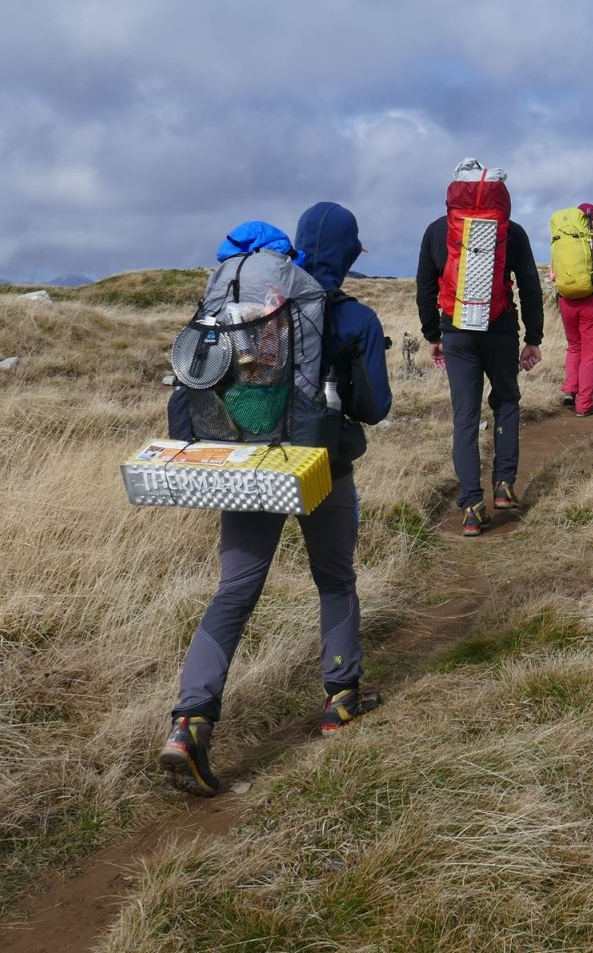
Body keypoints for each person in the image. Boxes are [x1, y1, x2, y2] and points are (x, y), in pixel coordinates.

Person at [160, 202, 393, 798]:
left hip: (250, 464)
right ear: (347, 252)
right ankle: (342, 697)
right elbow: (376, 406)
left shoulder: (257, 306)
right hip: (321, 467)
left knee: (235, 589)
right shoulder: (351, 317)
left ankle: (190, 722)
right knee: (335, 579)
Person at [415, 160, 544, 536]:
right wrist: (533, 337)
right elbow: (530, 286)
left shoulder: (437, 231)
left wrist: (433, 335)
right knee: (505, 402)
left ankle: (472, 505)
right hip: (501, 330)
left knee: (465, 417)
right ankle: (503, 484)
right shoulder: (512, 232)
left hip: (456, 332)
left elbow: (424, 287)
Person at [552, 202, 593, 417]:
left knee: (573, 346)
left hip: (566, 300)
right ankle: (584, 405)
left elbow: (553, 276)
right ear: (592, 218)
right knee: (589, 354)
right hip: (590, 301)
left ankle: (570, 391)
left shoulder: (561, 240)